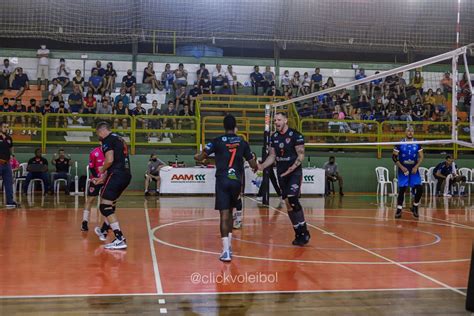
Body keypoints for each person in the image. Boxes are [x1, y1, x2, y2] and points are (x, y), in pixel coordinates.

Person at [194, 115, 257, 262]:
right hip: (236, 181)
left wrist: (196, 156)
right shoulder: (242, 141)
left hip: (222, 179)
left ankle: (226, 250)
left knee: (224, 214)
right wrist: (256, 166)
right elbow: (253, 163)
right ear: (235, 127)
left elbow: (202, 156)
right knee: (230, 212)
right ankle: (229, 247)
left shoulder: (216, 141)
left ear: (224, 126)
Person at [258, 112, 310, 246]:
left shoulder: (295, 135)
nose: (276, 122)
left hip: (294, 173)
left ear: (286, 120)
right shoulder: (274, 137)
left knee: (293, 198)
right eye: (275, 120)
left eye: (279, 120)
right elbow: (272, 156)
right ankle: (298, 232)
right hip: (281, 174)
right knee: (287, 203)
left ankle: (304, 230)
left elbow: (301, 155)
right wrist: (262, 166)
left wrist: (291, 169)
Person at [93, 122, 132, 249]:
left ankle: (119, 238)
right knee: (110, 203)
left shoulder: (107, 140)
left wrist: (101, 170)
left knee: (105, 206)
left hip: (116, 175)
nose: (99, 137)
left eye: (98, 134)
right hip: (125, 175)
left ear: (102, 131)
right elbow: (118, 161)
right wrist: (103, 178)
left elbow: (109, 160)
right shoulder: (120, 139)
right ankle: (104, 230)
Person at [392, 126, 423, 219]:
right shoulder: (400, 143)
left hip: (413, 169)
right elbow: (394, 157)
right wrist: (401, 167)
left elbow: (421, 156)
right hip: (404, 169)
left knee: (420, 188)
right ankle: (399, 209)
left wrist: (416, 166)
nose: (410, 132)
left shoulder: (417, 143)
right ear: (405, 132)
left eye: (412, 131)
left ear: (414, 133)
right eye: (408, 131)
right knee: (402, 189)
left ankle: (415, 206)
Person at [81, 142, 105, 232]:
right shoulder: (94, 152)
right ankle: (84, 221)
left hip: (107, 179)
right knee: (90, 200)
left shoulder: (111, 152)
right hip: (96, 179)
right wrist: (97, 178)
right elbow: (91, 167)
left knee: (106, 201)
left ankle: (107, 224)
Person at [0, 122, 19, 208]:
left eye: (7, 127)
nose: (6, 128)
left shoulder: (9, 138)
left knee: (9, 183)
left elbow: (11, 148)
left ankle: (10, 202)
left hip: (7, 164)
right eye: (4, 127)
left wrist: (12, 156)